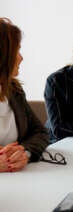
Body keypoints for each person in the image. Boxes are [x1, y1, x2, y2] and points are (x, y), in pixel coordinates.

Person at [0, 18, 49, 172]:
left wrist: (24, 152)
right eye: (17, 50)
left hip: (19, 179)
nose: (21, 58)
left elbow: (40, 132)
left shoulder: (14, 90)